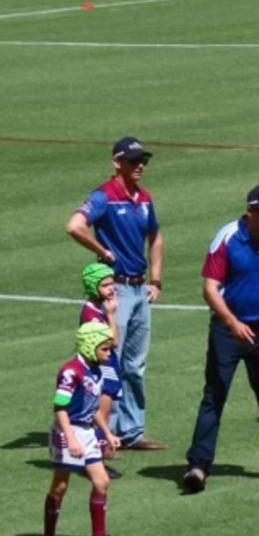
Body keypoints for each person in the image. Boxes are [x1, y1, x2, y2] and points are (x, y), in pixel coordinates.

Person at [183, 184, 259, 493]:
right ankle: (198, 465)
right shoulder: (227, 239)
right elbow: (210, 288)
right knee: (215, 395)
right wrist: (231, 322)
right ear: (251, 212)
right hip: (227, 330)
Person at [65, 136, 165, 451]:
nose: (140, 166)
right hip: (116, 290)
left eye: (143, 161)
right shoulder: (103, 196)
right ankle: (102, 435)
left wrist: (156, 280)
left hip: (139, 289)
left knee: (135, 365)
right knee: (110, 363)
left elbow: (156, 237)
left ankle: (131, 431)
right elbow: (75, 226)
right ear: (117, 163)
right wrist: (102, 250)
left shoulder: (144, 198)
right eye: (134, 161)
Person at [35, 323, 129, 536]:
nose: (109, 353)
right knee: (60, 485)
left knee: (102, 482)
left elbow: (93, 405)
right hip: (68, 431)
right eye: (105, 349)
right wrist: (70, 439)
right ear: (90, 346)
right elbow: (60, 407)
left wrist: (107, 433)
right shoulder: (70, 371)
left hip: (86, 432)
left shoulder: (97, 369)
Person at [78, 263, 125, 480]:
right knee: (101, 414)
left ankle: (99, 455)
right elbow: (113, 341)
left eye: (111, 283)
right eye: (105, 285)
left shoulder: (98, 308)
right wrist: (112, 315)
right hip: (101, 367)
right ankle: (95, 463)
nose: (111, 288)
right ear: (92, 286)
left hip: (108, 365)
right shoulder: (93, 314)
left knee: (104, 411)